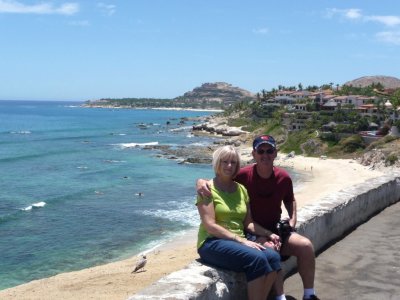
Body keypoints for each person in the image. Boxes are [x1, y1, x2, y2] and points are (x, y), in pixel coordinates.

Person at [197, 135, 319, 300]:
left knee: (292, 251)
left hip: (261, 230)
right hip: (226, 238)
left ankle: (308, 294)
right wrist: (200, 181)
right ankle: (279, 296)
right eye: (260, 151)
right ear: (254, 154)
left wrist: (290, 221)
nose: (265, 154)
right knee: (263, 257)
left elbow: (288, 201)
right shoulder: (229, 181)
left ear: (275, 153)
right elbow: (211, 220)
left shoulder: (245, 187)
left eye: (269, 150)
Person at [196, 145, 281, 300]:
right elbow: (210, 225)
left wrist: (270, 234)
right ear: (217, 163)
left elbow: (248, 223)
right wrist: (241, 240)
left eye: (233, 162)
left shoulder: (241, 189)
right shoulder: (207, 189)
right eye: (225, 161)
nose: (229, 166)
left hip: (237, 241)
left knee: (273, 257)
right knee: (257, 258)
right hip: (212, 242)